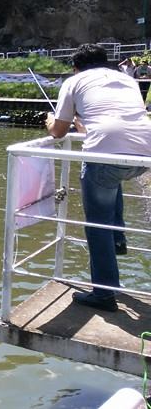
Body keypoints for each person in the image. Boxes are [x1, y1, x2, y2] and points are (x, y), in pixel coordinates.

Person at [46, 44, 151, 312]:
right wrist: (81, 123)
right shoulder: (126, 79)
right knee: (111, 181)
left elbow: (58, 131)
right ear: (106, 63)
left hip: (106, 156)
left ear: (75, 67)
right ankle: (117, 239)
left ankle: (104, 294)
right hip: (144, 154)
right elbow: (111, 118)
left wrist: (49, 120)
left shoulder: (74, 81)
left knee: (97, 225)